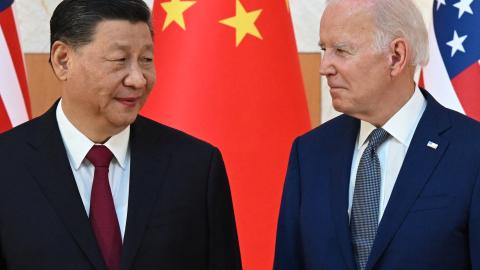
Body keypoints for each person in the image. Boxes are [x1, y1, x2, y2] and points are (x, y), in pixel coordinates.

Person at [0, 0, 241, 269]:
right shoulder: (7, 164)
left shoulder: (196, 167)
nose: (138, 79)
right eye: (119, 60)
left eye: (146, 60)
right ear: (62, 60)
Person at [274, 0, 480, 269]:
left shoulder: (471, 151)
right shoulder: (310, 152)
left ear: (396, 56)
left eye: (342, 51)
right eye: (325, 49)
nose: (325, 67)